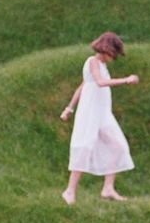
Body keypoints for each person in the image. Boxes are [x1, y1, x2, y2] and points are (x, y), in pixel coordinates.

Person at [60, 32, 139, 204]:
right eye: (113, 54)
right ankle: (69, 191)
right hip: (90, 112)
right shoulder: (92, 62)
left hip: (103, 113)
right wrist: (126, 80)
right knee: (84, 146)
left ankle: (108, 188)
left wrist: (68, 108)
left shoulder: (103, 66)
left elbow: (81, 87)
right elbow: (98, 82)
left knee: (118, 146)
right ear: (106, 50)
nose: (114, 58)